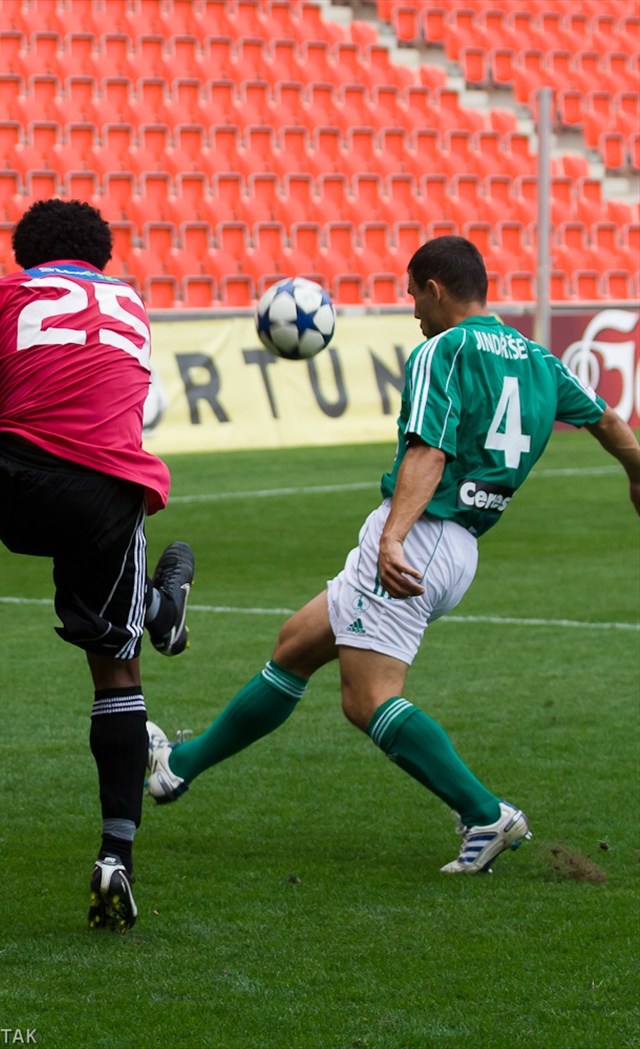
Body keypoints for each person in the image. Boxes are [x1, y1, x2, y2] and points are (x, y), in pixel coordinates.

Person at [145, 235, 640, 875]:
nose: (411, 311)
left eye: (413, 295)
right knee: (296, 643)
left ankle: (486, 814)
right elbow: (606, 419)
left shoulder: (443, 349)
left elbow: (427, 452)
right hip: (459, 544)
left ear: (435, 289)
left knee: (368, 699)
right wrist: (634, 471)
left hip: (422, 536)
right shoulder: (540, 359)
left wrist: (393, 535)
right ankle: (176, 769)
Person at [0, 198, 195, 931]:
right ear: (99, 257)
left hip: (18, 493)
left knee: (97, 609)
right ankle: (117, 852)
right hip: (109, 491)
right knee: (118, 670)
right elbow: (94, 409)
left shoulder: (3, 290)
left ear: (28, 252)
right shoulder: (131, 302)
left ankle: (150, 603)